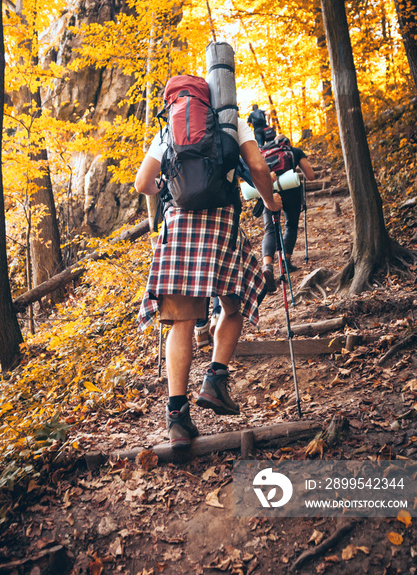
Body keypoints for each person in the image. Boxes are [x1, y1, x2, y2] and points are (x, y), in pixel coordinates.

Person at [135, 115, 282, 449]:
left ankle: (177, 419)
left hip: (179, 229)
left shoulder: (172, 126)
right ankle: (215, 380)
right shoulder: (230, 122)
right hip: (221, 228)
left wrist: (166, 191)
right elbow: (259, 168)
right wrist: (270, 201)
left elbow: (142, 182)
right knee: (235, 305)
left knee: (181, 323)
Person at [261, 135, 315, 292]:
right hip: (292, 191)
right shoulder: (295, 151)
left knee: (270, 230)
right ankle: (286, 261)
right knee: (291, 225)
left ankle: (267, 266)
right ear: (287, 144)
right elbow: (311, 176)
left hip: (270, 192)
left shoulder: (263, 153)